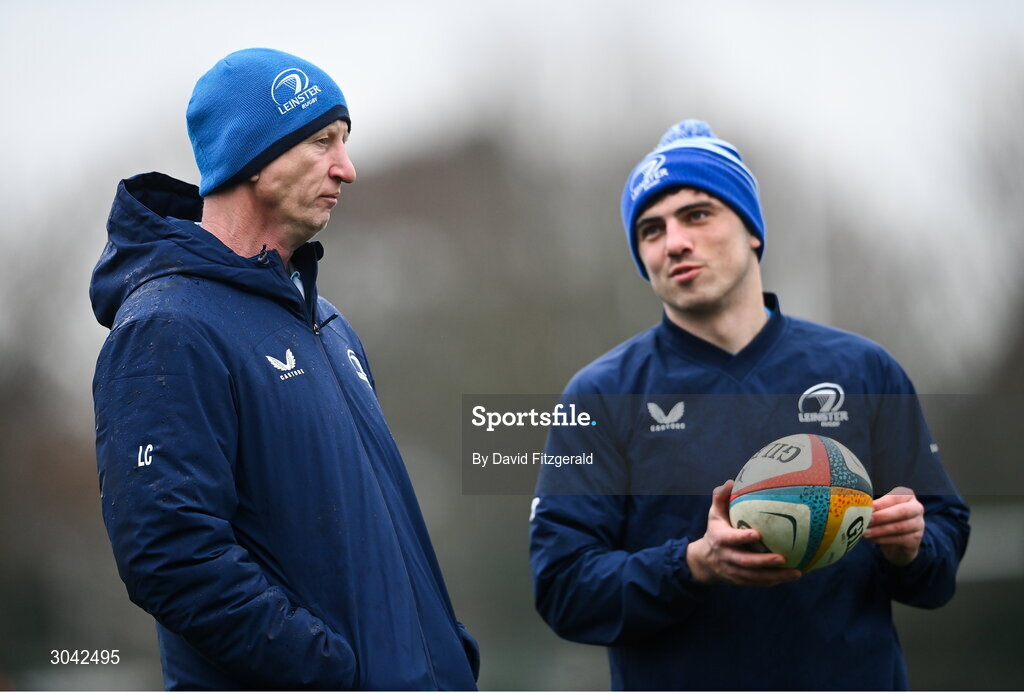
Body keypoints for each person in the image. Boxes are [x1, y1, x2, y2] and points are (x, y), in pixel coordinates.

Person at [529, 119, 970, 690]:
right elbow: (563, 587)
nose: (675, 242)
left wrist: (912, 546)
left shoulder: (863, 371)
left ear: (752, 230)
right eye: (650, 230)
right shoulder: (598, 397)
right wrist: (692, 565)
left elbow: (940, 555)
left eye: (698, 214)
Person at [90, 48, 479, 690]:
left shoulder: (329, 325)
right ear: (253, 158)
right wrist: (328, 671)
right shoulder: (169, 326)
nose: (346, 168)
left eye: (345, 141)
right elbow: (171, 556)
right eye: (323, 140)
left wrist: (445, 651)